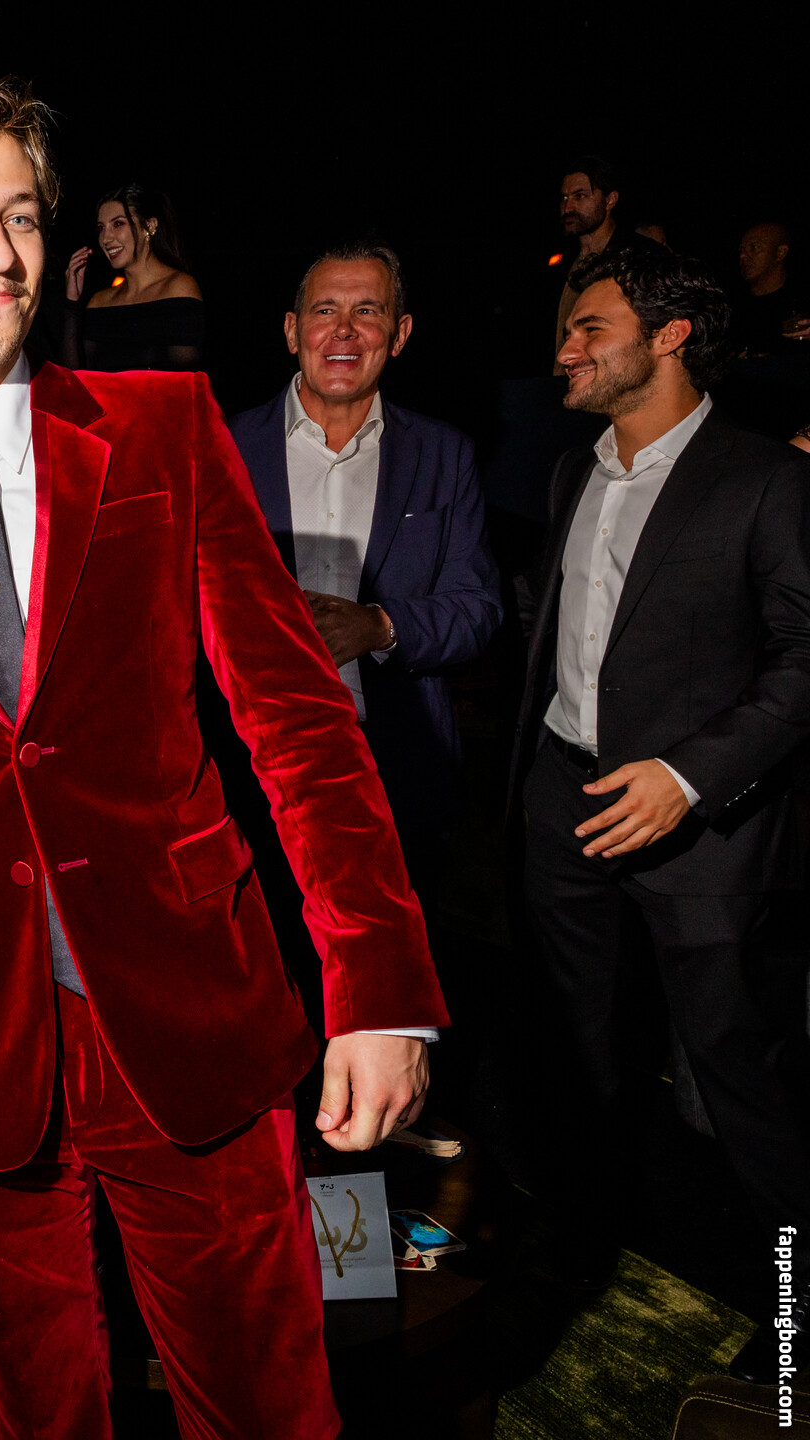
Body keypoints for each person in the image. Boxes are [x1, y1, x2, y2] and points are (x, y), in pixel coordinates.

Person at [0, 75, 447, 1439]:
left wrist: (380, 989)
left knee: (271, 1405)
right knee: (38, 1417)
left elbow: (300, 725)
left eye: (18, 215)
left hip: (193, 1017)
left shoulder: (164, 429)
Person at [511, 247, 810, 1385]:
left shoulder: (766, 480)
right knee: (579, 1057)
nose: (565, 350)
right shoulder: (571, 471)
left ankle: (795, 1317)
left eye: (588, 327)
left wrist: (687, 777)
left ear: (671, 335)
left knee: (739, 1083)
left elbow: (803, 660)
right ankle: (581, 1255)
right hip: (565, 808)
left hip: (705, 835)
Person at [229, 242, 502, 899]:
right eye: (325, 310)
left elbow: (479, 608)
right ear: (292, 330)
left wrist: (380, 627)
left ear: (399, 335)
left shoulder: (444, 455)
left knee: (394, 951)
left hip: (397, 764)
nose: (344, 330)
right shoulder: (223, 447)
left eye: (367, 311)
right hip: (252, 761)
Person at [60, 182, 204, 370]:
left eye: (118, 224)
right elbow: (74, 376)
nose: (106, 238)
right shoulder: (100, 301)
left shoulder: (178, 287)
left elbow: (184, 377)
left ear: (149, 226)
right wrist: (72, 303)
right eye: (101, 228)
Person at [551, 158, 663, 374]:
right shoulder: (560, 263)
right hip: (562, 383)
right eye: (564, 197)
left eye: (580, 196)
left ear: (610, 200)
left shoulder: (640, 256)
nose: (568, 207)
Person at [733, 220, 805, 358]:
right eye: (741, 250)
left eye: (754, 248)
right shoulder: (732, 307)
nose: (743, 256)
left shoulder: (801, 301)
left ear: (781, 253)